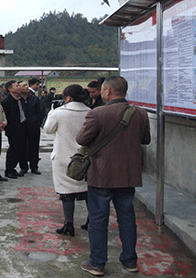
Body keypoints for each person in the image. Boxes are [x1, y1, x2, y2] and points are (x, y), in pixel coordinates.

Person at [76, 76, 150, 275]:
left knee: (98, 219)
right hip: (127, 174)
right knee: (127, 217)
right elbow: (146, 139)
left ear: (107, 91)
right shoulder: (140, 113)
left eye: (101, 90)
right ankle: (130, 261)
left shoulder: (98, 113)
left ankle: (97, 263)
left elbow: (81, 139)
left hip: (101, 174)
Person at [43, 84, 90, 238]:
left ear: (68, 98)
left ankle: (69, 225)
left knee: (67, 193)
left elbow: (48, 130)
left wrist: (51, 113)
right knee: (88, 191)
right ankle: (92, 221)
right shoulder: (90, 112)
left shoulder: (58, 113)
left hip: (63, 158)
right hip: (85, 158)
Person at [1, 80, 27, 179]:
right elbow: (4, 116)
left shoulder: (19, 99)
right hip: (13, 129)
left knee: (20, 149)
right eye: (16, 86)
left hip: (22, 127)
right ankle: (9, 170)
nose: (19, 87)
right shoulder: (7, 101)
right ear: (10, 89)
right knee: (13, 149)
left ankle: (13, 168)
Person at [19, 81, 44, 175]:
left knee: (34, 146)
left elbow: (40, 112)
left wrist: (38, 122)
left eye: (26, 85)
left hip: (33, 126)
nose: (26, 87)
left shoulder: (34, 99)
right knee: (22, 147)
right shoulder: (18, 100)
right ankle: (23, 167)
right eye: (23, 86)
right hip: (21, 127)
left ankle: (34, 166)